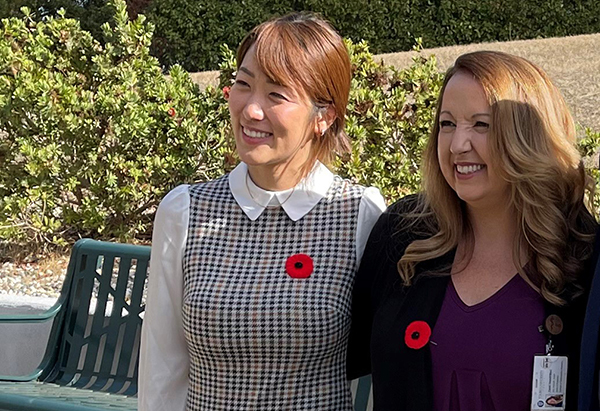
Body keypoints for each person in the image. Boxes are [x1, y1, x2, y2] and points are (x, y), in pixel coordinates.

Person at [138, 12, 386, 411]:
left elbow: (383, 372)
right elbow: (162, 370)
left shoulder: (359, 213)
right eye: (243, 84)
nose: (251, 110)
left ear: (324, 116)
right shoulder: (184, 210)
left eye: (276, 94)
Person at [347, 50, 598, 411]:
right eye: (447, 124)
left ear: (528, 137)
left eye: (481, 125)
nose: (458, 145)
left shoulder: (585, 257)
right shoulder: (403, 234)